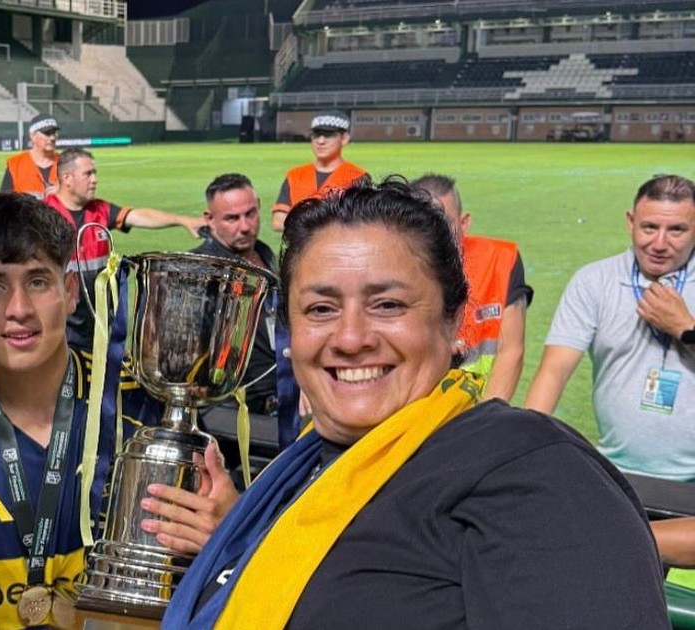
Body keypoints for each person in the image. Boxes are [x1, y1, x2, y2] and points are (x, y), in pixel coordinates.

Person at [162, 178, 668, 629]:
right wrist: (239, 539)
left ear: (453, 321)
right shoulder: (303, 469)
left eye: (388, 305)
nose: (351, 337)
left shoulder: (535, 473)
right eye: (321, 308)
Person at [0, 193, 236, 630]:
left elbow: (224, 575)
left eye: (38, 282)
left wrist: (230, 533)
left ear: (71, 291)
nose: (19, 309)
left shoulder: (145, 411)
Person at [525, 174, 695, 481]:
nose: (659, 243)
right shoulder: (594, 281)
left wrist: (685, 329)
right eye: (649, 227)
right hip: (616, 471)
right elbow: (555, 370)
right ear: (631, 222)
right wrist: (522, 446)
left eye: (676, 230)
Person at [44, 148, 204, 349]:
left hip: (98, 323)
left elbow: (139, 216)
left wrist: (182, 220)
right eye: (88, 174)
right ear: (67, 178)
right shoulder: (43, 213)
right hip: (62, 325)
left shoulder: (100, 210)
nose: (94, 180)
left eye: (95, 173)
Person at [411, 174, 533, 401]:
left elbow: (511, 351)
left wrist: (488, 416)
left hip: (481, 408)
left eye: (443, 224)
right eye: (421, 224)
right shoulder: (387, 270)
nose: (434, 235)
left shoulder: (500, 261)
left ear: (464, 223)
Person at [192, 173, 279, 414]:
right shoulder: (201, 271)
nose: (245, 227)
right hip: (238, 410)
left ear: (259, 205)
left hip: (284, 393)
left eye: (250, 213)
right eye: (232, 218)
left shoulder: (266, 255)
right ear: (209, 219)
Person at [270, 109, 367, 232]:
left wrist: (303, 223)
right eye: (316, 135)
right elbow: (278, 221)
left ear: (344, 138)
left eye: (328, 135)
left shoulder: (358, 177)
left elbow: (362, 222)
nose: (320, 141)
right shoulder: (294, 175)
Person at [0, 113, 60, 199]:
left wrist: (63, 192)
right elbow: (3, 202)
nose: (52, 138)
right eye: (47, 133)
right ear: (33, 136)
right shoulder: (15, 165)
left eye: (54, 133)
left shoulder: (66, 162)